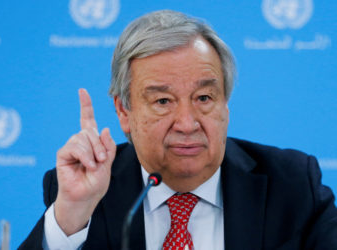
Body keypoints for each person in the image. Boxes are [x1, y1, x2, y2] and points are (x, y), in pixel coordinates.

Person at [19, 10, 337, 250]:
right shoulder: (89, 192)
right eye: (162, 101)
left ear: (225, 103)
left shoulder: (293, 185)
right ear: (123, 110)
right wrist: (71, 214)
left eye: (203, 98)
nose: (187, 123)